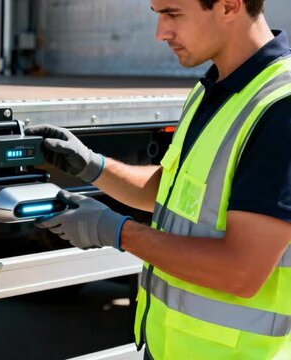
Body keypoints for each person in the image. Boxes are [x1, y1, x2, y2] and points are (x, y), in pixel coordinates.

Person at [27, 0, 291, 359]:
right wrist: (92, 165)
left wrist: (117, 232)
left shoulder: (280, 108)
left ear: (230, 5)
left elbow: (241, 271)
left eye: (172, 13)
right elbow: (169, 189)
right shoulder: (212, 88)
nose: (160, 32)